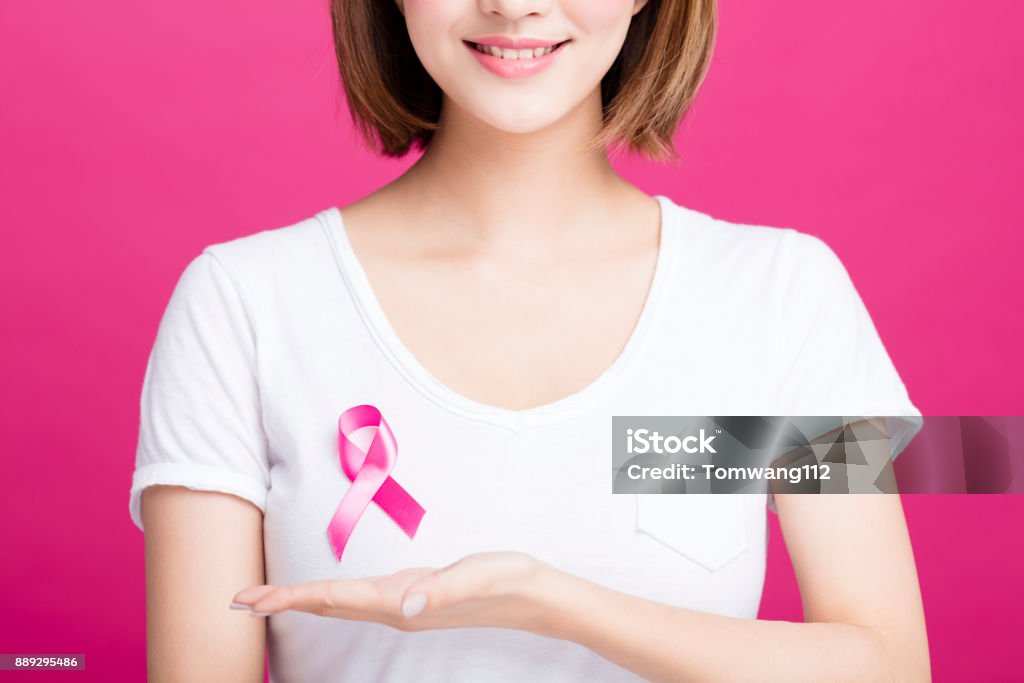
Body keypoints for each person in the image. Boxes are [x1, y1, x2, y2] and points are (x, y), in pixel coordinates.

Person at [129, 0, 931, 681]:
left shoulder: (784, 294)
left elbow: (889, 661)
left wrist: (555, 604)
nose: (514, 5)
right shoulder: (243, 304)